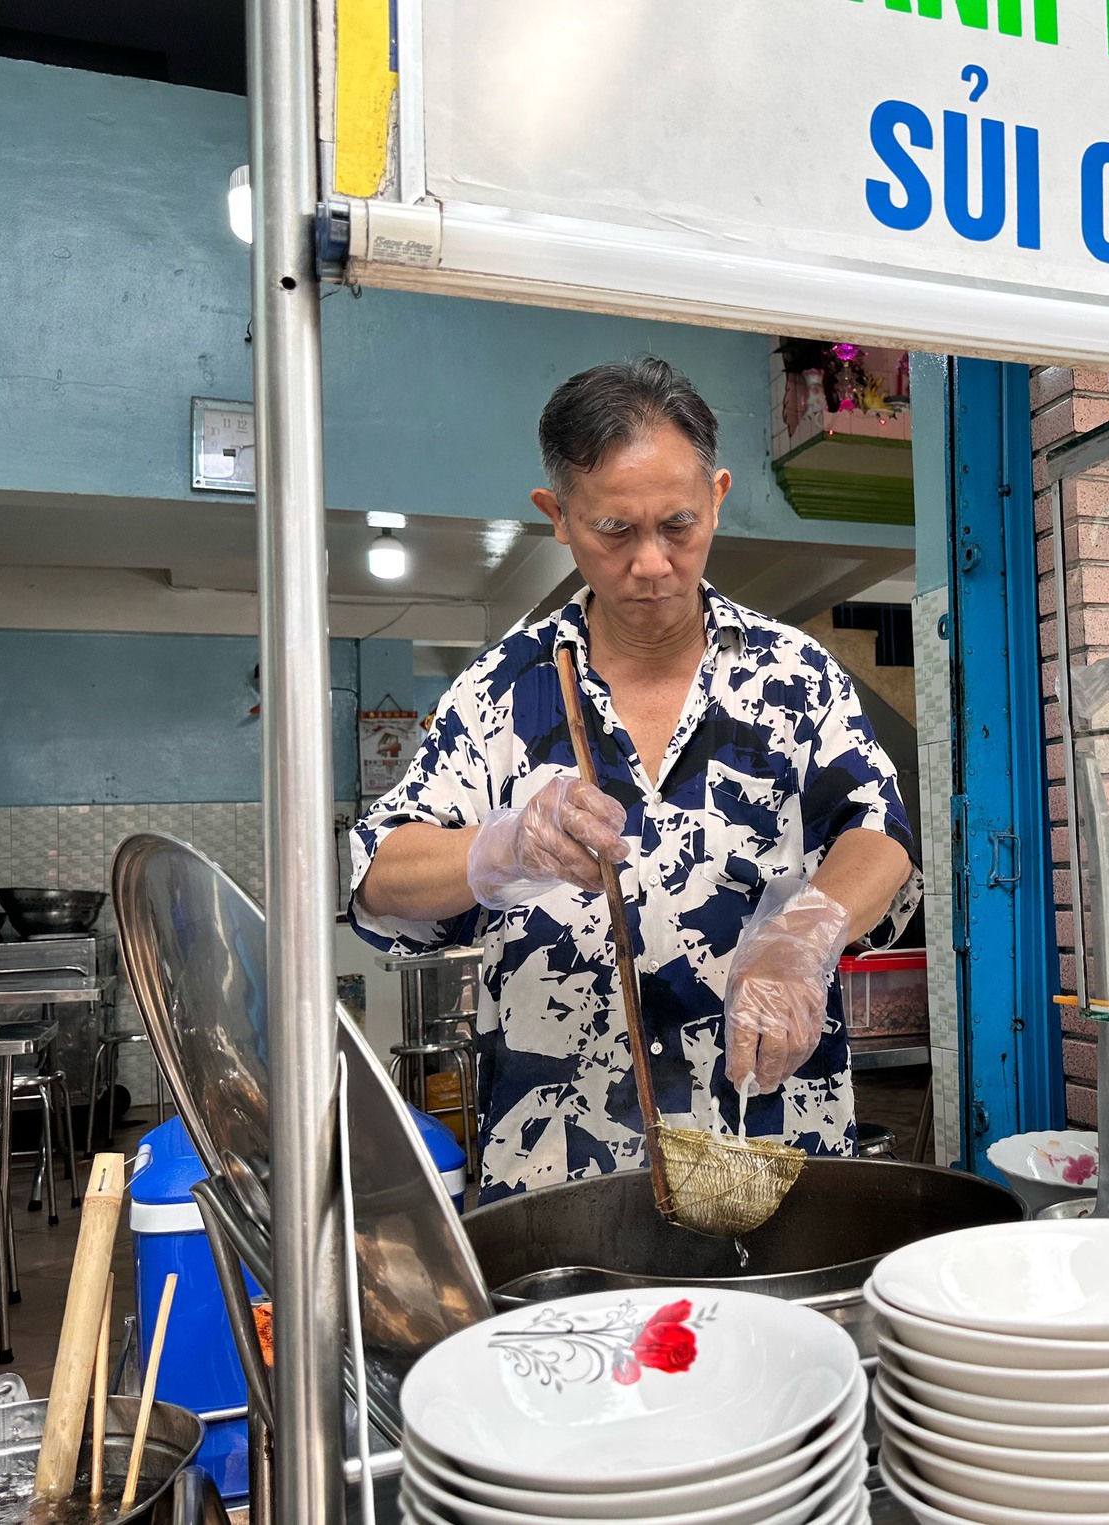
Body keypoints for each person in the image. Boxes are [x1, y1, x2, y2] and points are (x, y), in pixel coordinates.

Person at [350, 358, 921, 1203]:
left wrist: (808, 930)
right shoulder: (501, 691)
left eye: (679, 525)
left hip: (771, 1152)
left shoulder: (793, 675)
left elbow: (880, 833)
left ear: (719, 496)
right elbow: (375, 876)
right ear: (559, 518)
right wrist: (498, 849)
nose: (652, 564)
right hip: (560, 1172)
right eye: (616, 530)